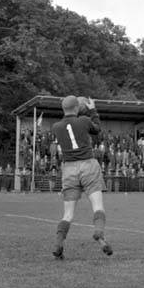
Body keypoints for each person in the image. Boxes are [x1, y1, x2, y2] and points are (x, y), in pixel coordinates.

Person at [51, 96, 113, 260]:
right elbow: (97, 129)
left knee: (68, 214)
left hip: (69, 169)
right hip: (88, 165)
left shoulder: (56, 127)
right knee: (97, 206)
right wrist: (92, 110)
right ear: (77, 108)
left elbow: (68, 123)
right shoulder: (84, 120)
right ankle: (99, 232)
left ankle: (58, 244)